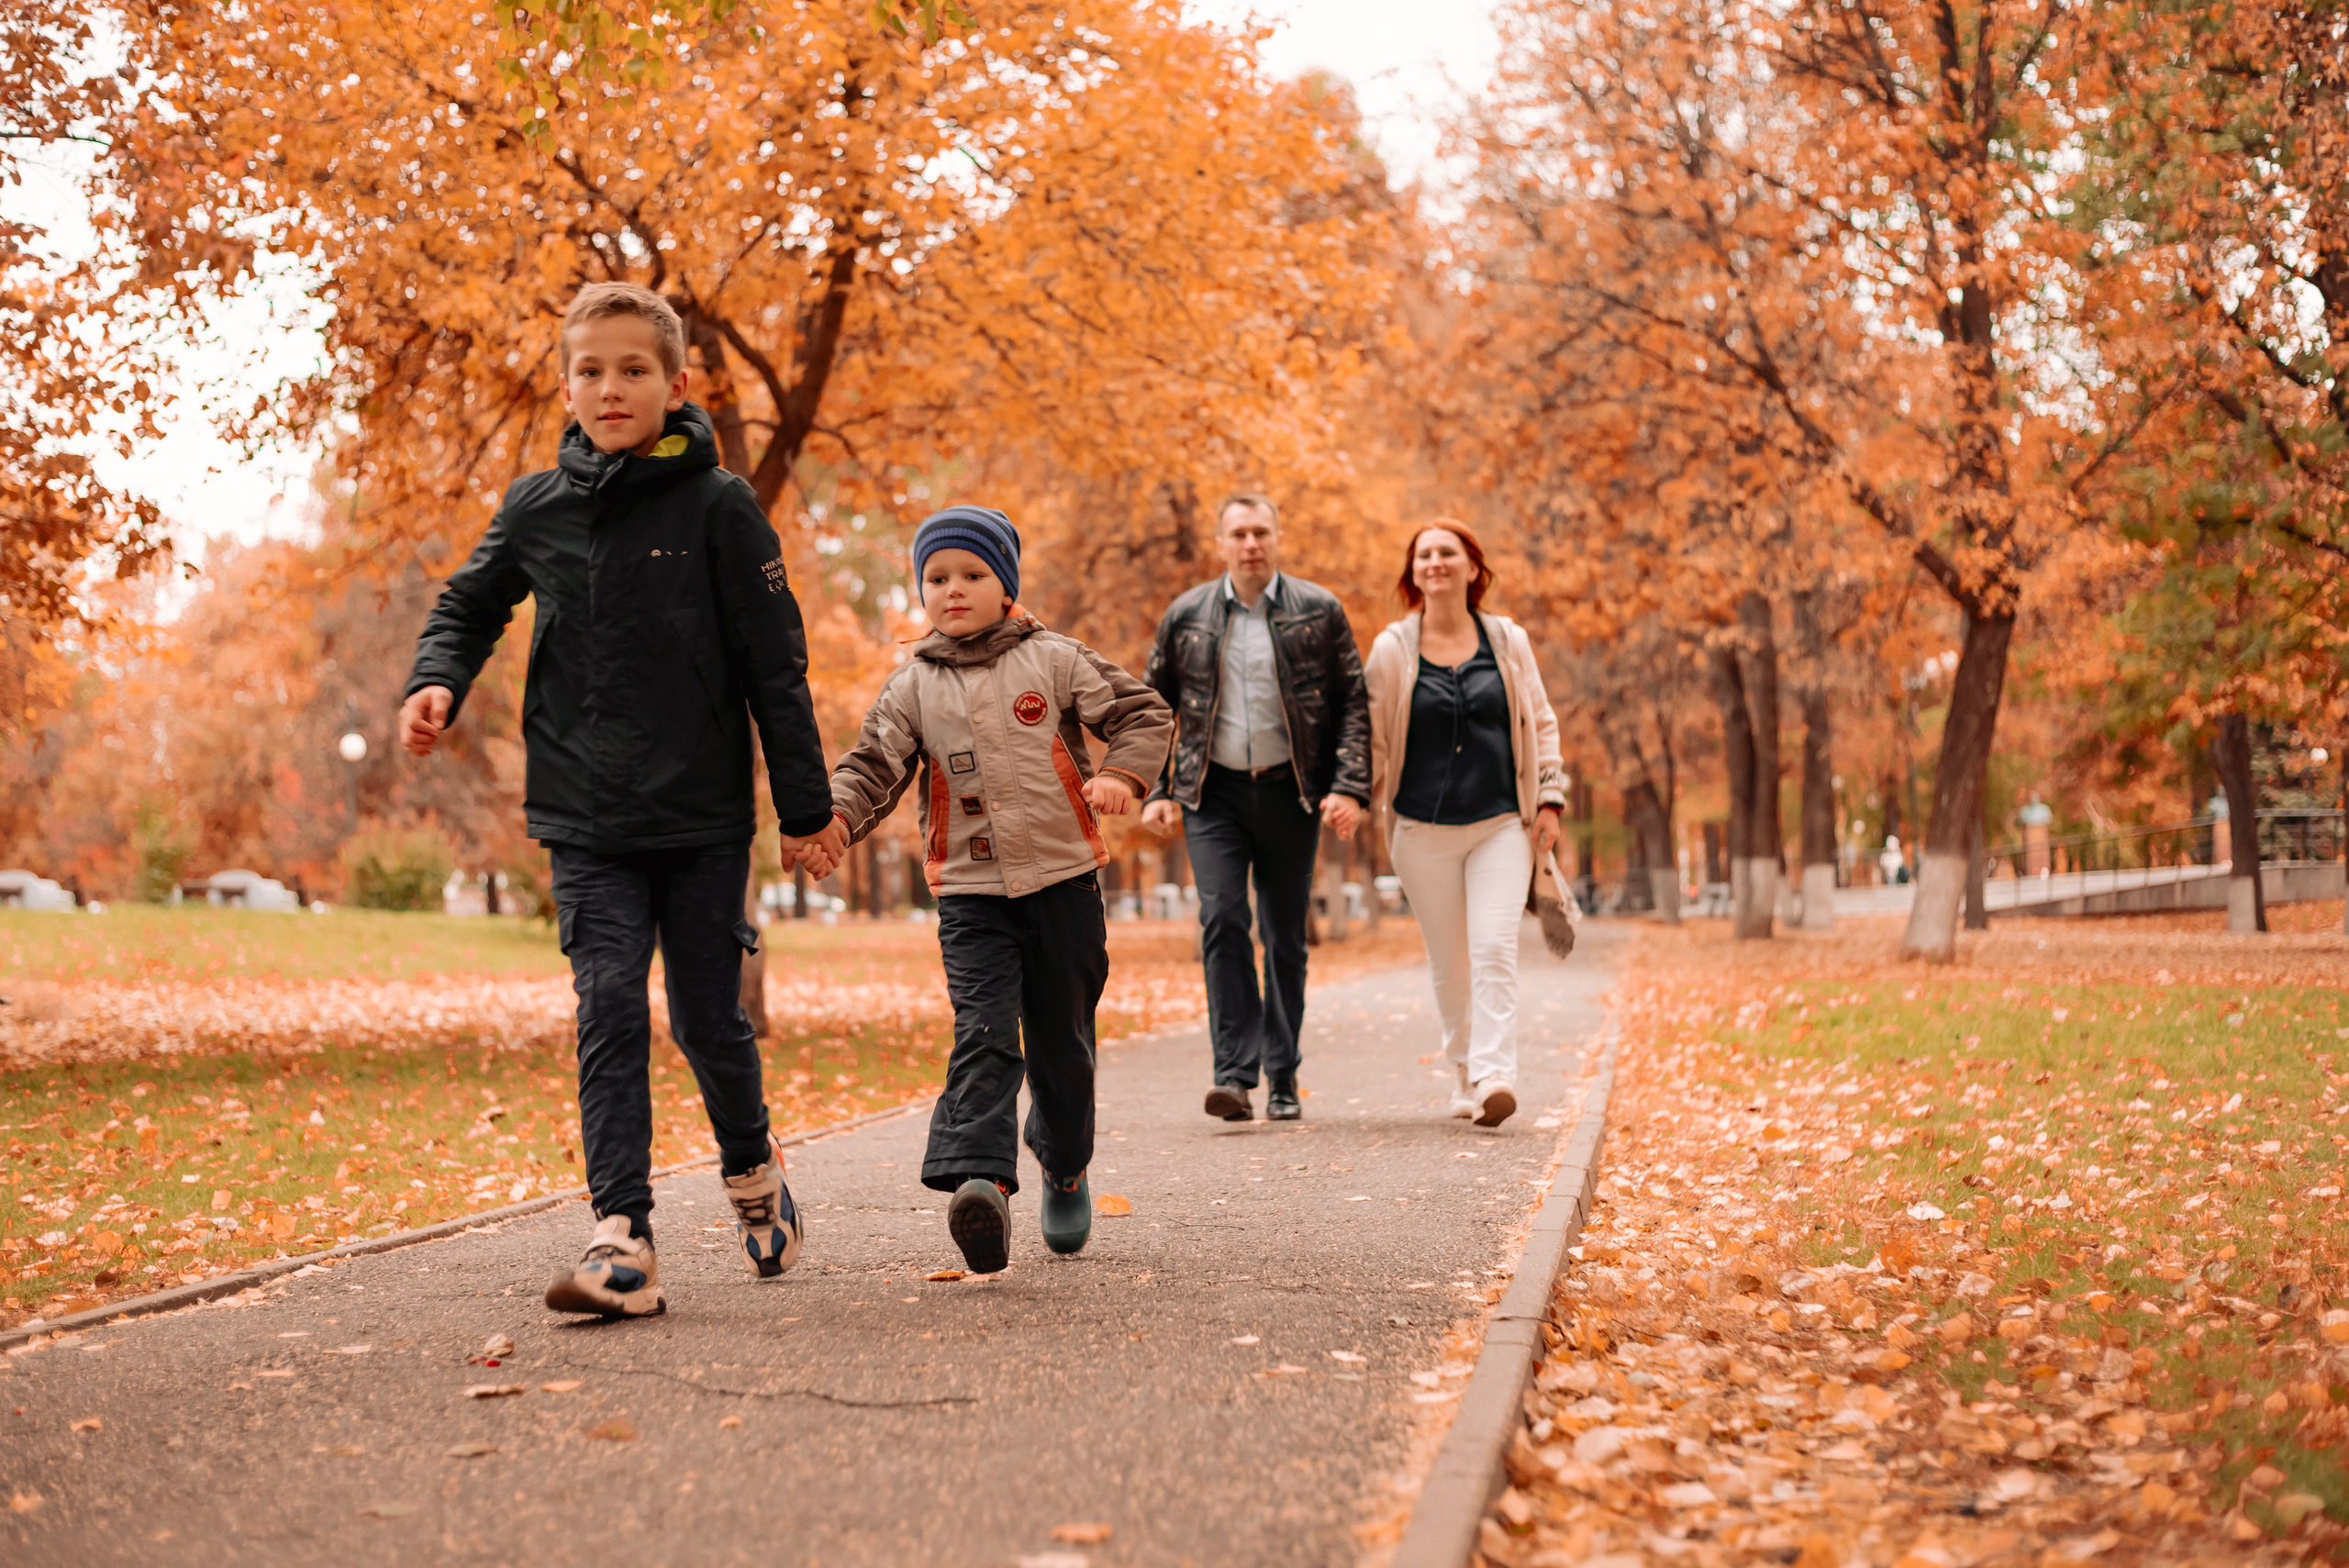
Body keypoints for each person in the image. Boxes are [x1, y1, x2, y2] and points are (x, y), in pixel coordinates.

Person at [400, 283, 837, 1318]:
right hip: (582, 812)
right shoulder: (534, 506)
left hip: (698, 815)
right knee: (604, 1005)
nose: (610, 387)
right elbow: (468, 602)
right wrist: (437, 678)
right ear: (567, 386)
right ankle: (622, 1234)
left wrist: (808, 810)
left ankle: (752, 1174)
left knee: (704, 1017)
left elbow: (777, 666)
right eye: (590, 370)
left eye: (633, 368)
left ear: (676, 384)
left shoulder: (721, 506)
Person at [808, 506, 1171, 1273]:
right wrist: (834, 820)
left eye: (972, 574)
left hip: (1064, 884)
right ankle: (980, 1181)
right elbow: (871, 764)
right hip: (971, 894)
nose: (954, 590)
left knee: (1063, 1048)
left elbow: (1143, 711)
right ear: (922, 593)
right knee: (982, 1030)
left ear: (1005, 585)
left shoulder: (1056, 659)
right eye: (937, 578)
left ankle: (1064, 1164)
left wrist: (1119, 774)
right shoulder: (912, 686)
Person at [1141, 495, 1371, 1123]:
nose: (1251, 544)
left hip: (1290, 793)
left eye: (1261, 532)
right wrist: (1159, 788)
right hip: (1212, 795)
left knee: (1285, 937)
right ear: (1221, 543)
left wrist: (1348, 785)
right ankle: (1233, 1075)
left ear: (1277, 538)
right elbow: (1152, 707)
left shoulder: (1318, 610)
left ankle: (1283, 1073)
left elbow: (1353, 700)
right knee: (1221, 920)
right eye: (1239, 533)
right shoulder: (1187, 615)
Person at [1361, 521, 1565, 1129]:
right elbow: (1369, 742)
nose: (1436, 562)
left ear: (1473, 568)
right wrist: (1348, 794)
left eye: (1447, 552)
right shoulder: (1392, 649)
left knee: (1494, 945)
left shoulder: (1507, 641)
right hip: (1420, 831)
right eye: (1424, 554)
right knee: (1451, 961)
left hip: (1501, 822)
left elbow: (1542, 720)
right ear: (1413, 571)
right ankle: (1464, 1071)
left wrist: (1550, 799)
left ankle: (1496, 1074)